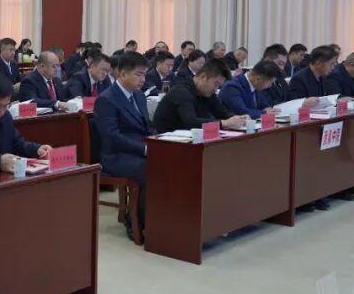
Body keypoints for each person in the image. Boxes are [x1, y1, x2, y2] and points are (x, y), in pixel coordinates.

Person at [94, 52, 152, 237]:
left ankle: (159, 219)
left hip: (138, 150)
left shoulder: (139, 96)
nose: (143, 79)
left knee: (170, 162)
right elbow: (112, 137)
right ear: (122, 74)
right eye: (138, 74)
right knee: (150, 169)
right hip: (116, 156)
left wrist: (162, 142)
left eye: (144, 75)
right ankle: (136, 222)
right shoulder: (106, 99)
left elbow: (147, 128)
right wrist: (144, 149)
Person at [154, 60, 249, 133]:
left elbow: (222, 113)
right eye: (216, 84)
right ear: (203, 76)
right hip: (168, 142)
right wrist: (224, 123)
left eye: (219, 86)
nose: (216, 89)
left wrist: (239, 118)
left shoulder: (207, 92)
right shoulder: (182, 91)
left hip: (193, 140)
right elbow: (191, 122)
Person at [218, 60, 282, 119]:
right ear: (258, 79)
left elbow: (263, 106)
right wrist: (264, 113)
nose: (270, 86)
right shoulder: (232, 87)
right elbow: (242, 113)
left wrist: (268, 110)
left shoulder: (257, 86)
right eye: (270, 83)